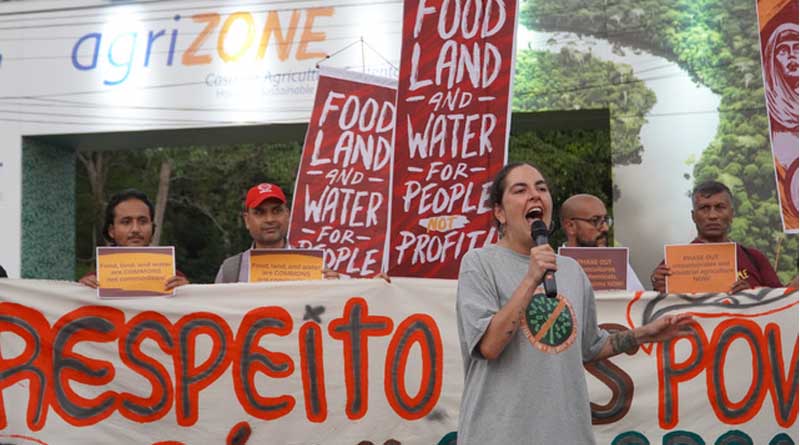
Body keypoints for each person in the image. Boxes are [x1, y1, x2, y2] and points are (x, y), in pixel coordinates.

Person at [456, 162, 693, 444]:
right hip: (500, 434)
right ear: (499, 212)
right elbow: (489, 346)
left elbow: (590, 347)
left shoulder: (571, 271)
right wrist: (531, 279)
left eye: (541, 188)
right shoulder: (479, 264)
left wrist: (645, 334)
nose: (534, 195)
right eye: (520, 190)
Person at [650, 180, 783, 293]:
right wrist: (658, 287)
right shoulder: (675, 262)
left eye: (720, 207)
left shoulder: (755, 258)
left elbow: (782, 303)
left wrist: (751, 297)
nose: (712, 216)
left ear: (731, 214)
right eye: (704, 208)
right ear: (693, 216)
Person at [215, 182, 341, 283]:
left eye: (276, 211)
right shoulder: (230, 271)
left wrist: (335, 292)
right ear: (247, 220)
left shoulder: (315, 266)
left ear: (287, 215)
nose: (270, 219)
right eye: (260, 213)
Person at [79, 189, 189, 290]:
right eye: (126, 222)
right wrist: (80, 291)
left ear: (152, 227)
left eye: (143, 221)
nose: (135, 229)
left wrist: (189, 292)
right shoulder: (93, 281)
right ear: (112, 230)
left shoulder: (174, 278)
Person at [560, 193, 644, 291]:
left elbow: (638, 303)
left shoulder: (617, 265)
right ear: (570, 226)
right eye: (595, 221)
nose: (605, 228)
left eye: (606, 220)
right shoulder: (553, 268)